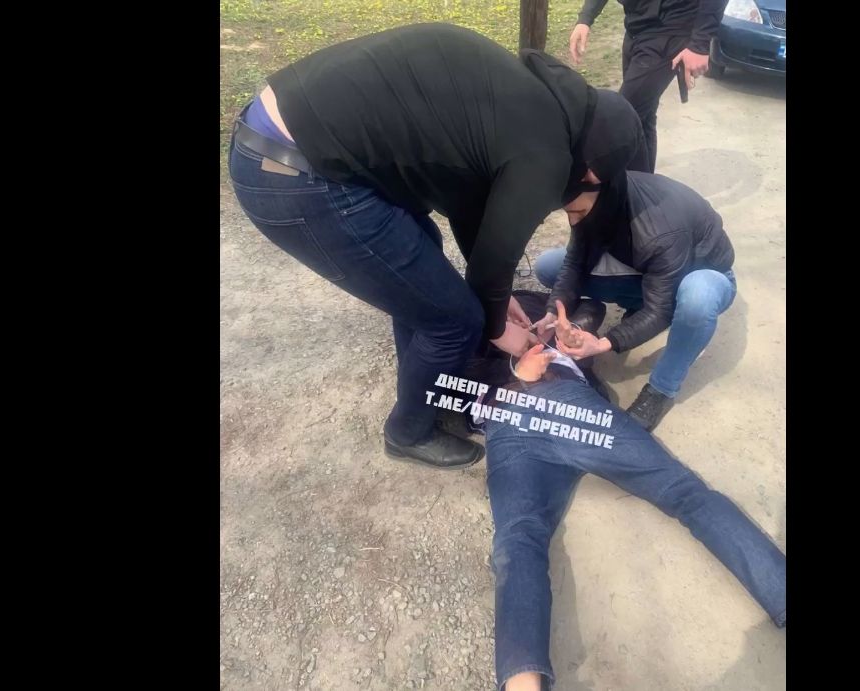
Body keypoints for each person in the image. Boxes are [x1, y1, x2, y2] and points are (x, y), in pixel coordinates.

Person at [228, 23, 645, 469]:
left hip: (277, 135)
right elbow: (495, 254)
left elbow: (474, 216)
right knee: (454, 321)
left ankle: (428, 389)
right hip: (294, 175)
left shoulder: (531, 101)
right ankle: (407, 432)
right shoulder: (548, 155)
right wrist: (498, 329)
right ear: (594, 168)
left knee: (424, 268)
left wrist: (499, 299)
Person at [457, 297, 785, 691]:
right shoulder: (471, 321)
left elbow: (590, 308)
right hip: (520, 411)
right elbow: (451, 366)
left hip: (553, 406)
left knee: (519, 540)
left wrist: (562, 332)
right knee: (680, 493)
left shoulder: (537, 320)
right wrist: (515, 363)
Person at [531, 167, 735, 431]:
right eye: (568, 213)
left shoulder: (658, 231)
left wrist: (603, 343)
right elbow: (574, 262)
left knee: (698, 299)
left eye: (579, 213)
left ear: (604, 201)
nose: (573, 221)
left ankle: (661, 389)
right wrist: (551, 312)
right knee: (548, 266)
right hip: (649, 270)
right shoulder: (596, 199)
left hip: (702, 271)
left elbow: (660, 310)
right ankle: (633, 305)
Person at [569, 0, 729, 171]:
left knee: (623, 115)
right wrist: (585, 18)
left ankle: (596, 179)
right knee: (642, 119)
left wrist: (699, 45)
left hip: (671, 30)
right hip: (636, 26)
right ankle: (641, 182)